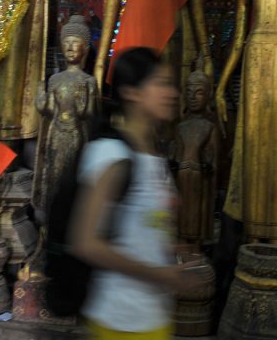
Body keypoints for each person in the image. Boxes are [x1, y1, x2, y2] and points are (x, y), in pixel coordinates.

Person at [68, 47, 199, 339]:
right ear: (132, 93)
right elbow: (86, 243)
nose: (172, 92)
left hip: (153, 318)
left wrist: (172, 249)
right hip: (119, 319)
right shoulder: (111, 155)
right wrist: (159, 274)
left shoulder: (154, 156)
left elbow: (142, 226)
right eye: (161, 83)